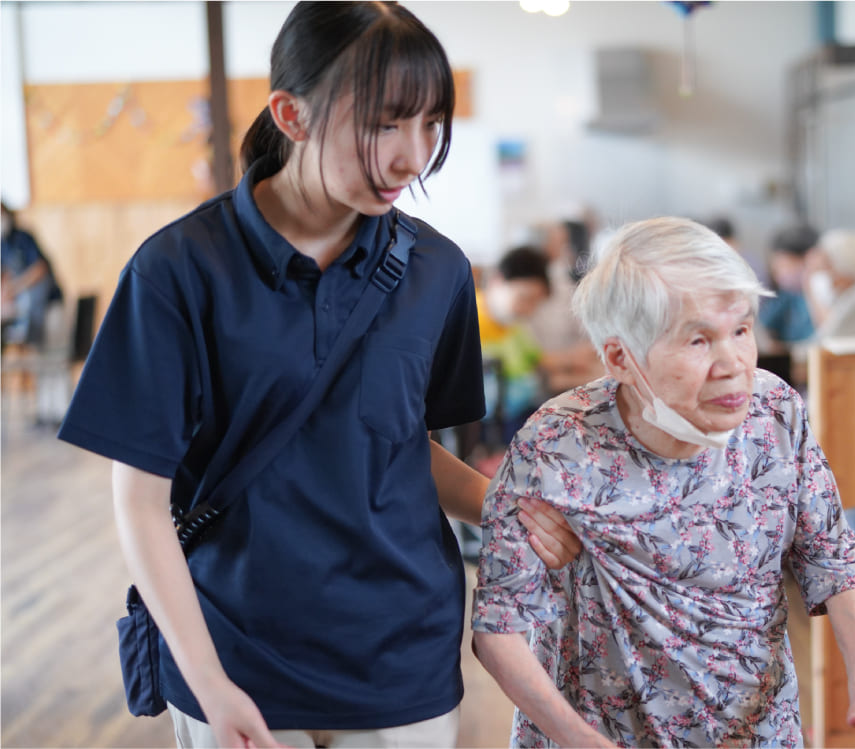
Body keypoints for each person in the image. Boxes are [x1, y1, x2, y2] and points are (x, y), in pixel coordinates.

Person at [57, 4, 580, 747]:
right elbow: (140, 501)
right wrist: (210, 684)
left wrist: (510, 509)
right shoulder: (178, 270)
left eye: (431, 124)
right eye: (384, 124)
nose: (413, 157)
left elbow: (402, 447)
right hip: (234, 653)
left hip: (399, 654)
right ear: (290, 115)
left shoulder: (436, 270)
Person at [471, 216, 855, 748]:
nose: (733, 364)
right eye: (698, 340)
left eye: (741, 330)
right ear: (620, 357)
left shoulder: (774, 412)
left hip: (757, 732)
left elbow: (835, 558)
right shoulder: (557, 446)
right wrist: (578, 740)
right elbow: (498, 627)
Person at [1, 200, 70, 425]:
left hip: (50, 307)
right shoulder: (4, 244)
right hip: (29, 311)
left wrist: (16, 287)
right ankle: (45, 411)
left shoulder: (23, 237)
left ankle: (60, 412)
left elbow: (39, 268)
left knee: (55, 359)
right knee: (40, 358)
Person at [477, 245, 551, 448]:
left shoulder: (512, 325)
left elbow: (538, 362)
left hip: (517, 416)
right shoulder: (469, 320)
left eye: (535, 303)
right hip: (489, 429)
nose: (528, 310)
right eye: (524, 298)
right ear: (498, 280)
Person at [528, 218, 605, 396]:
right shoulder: (531, 286)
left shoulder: (562, 278)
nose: (565, 249)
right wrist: (569, 359)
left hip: (569, 359)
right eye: (559, 243)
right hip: (545, 365)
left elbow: (581, 326)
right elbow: (531, 356)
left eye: (564, 243)